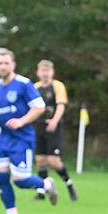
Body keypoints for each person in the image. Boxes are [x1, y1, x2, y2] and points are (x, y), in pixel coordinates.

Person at [0, 51, 58, 214]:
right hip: (4, 138)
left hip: (22, 138)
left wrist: (21, 121)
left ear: (13, 65)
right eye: (0, 63)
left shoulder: (23, 84)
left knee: (21, 180)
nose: (3, 66)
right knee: (1, 176)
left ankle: (47, 184)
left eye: (6, 63)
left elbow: (39, 107)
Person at [32, 59, 78, 202]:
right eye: (42, 71)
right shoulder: (35, 87)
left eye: (48, 71)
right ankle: (41, 191)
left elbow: (61, 105)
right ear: (38, 73)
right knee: (40, 159)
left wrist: (54, 121)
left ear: (52, 72)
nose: (45, 74)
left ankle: (69, 183)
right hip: (38, 125)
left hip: (53, 126)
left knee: (53, 160)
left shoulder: (57, 86)